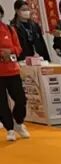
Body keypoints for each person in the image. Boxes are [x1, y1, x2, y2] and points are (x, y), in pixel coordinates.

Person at [0, 5, 30, 141]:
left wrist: (11, 52)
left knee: (21, 99)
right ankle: (9, 129)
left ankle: (18, 122)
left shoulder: (9, 29)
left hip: (12, 70)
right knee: (2, 103)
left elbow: (18, 48)